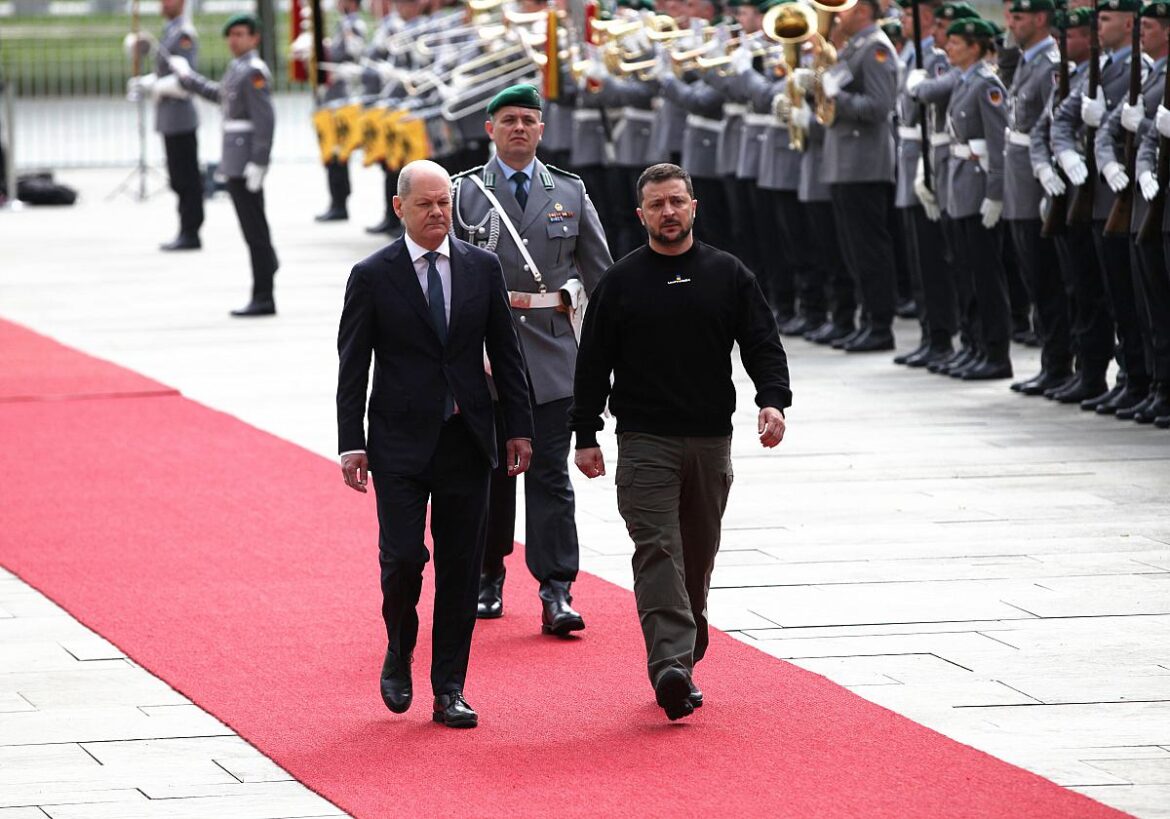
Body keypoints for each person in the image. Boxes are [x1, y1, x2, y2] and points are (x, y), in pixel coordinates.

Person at [569, 163, 792, 721]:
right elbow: (592, 364)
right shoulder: (619, 283)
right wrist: (586, 433)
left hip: (711, 442)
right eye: (656, 205)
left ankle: (684, 658)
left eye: (676, 201)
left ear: (694, 206)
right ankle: (669, 662)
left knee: (696, 559)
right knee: (658, 549)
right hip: (645, 443)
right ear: (640, 214)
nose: (668, 212)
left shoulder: (728, 273)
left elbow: (761, 341)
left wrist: (772, 399)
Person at [336, 159, 534, 728]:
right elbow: (354, 367)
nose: (437, 214)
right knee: (402, 560)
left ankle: (449, 687)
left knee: (460, 567)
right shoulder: (373, 275)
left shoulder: (481, 268)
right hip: (398, 442)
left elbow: (508, 354)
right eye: (425, 204)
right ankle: (399, 647)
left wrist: (518, 427)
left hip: (466, 439)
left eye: (445, 203)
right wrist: (353, 442)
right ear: (399, 208)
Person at [450, 84, 612, 635]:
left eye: (528, 120)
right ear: (489, 129)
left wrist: (612, 350)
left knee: (549, 474)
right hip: (486, 355)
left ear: (542, 130)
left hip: (550, 352)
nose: (519, 128)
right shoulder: (463, 194)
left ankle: (556, 588)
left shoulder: (568, 189)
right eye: (508, 120)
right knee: (490, 472)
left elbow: (600, 274)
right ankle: (487, 576)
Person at [170, 14, 278, 317]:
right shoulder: (237, 68)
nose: (235, 40)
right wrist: (187, 77)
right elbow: (220, 96)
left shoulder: (254, 71)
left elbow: (265, 120)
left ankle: (264, 295)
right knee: (252, 228)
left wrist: (259, 161)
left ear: (255, 38)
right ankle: (268, 267)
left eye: (241, 34)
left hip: (245, 163)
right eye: (231, 35)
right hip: (234, 161)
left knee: (255, 231)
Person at [126, 0, 203, 251]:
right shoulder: (169, 31)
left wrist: (153, 87)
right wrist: (146, 81)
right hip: (169, 116)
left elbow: (185, 80)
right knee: (178, 176)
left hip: (180, 115)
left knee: (186, 178)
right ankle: (185, 228)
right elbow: (162, 73)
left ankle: (191, 231)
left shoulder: (183, 35)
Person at [315, 0, 367, 223]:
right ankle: (336, 201)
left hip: (343, 98)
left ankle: (340, 202)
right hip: (333, 97)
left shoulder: (354, 25)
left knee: (338, 152)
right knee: (332, 152)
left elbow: (354, 52)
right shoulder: (343, 23)